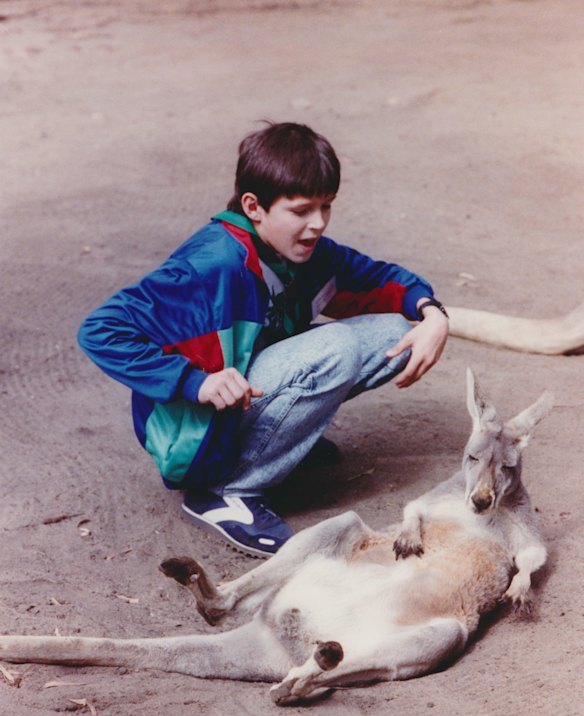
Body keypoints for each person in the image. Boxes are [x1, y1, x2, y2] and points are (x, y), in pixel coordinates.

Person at [78, 122, 449, 558]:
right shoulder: (210, 266)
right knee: (336, 348)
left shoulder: (296, 252)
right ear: (253, 207)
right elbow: (100, 329)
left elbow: (374, 277)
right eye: (301, 210)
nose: (317, 223)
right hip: (194, 435)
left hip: (242, 397)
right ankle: (224, 493)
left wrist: (432, 312)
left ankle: (278, 444)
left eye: (326, 206)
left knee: (396, 334)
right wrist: (194, 381)